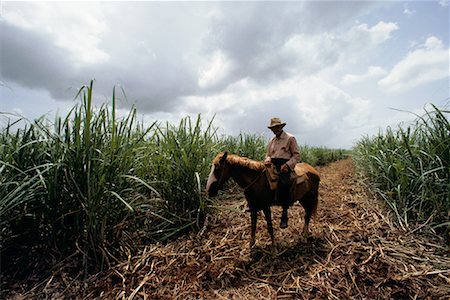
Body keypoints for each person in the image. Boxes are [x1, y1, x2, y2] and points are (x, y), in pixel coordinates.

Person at [264, 117, 300, 229]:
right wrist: (268, 159)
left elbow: (296, 155)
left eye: (276, 127)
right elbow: (268, 154)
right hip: (273, 164)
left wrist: (288, 165)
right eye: (273, 128)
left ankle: (284, 212)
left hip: (285, 165)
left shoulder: (290, 138)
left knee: (284, 183)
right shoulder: (272, 141)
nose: (275, 130)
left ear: (281, 127)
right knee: (261, 180)